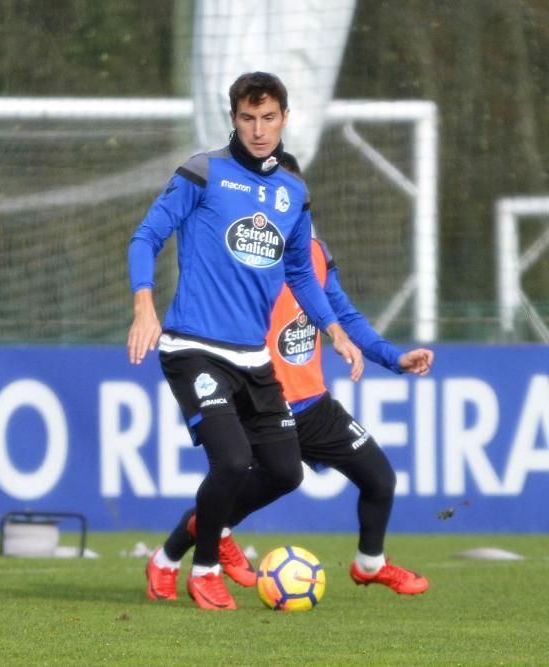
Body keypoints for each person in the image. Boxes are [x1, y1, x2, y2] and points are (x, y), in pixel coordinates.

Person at [145, 153, 432, 605]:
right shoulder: (245, 256)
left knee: (380, 479)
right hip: (261, 397)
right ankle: (169, 560)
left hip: (313, 405)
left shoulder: (312, 257)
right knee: (231, 481)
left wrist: (393, 358)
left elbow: (342, 313)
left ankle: (369, 564)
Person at [127, 71, 364, 611]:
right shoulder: (203, 172)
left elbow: (303, 274)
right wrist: (144, 304)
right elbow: (146, 235)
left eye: (269, 118)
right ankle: (204, 570)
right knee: (232, 462)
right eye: (248, 118)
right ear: (233, 118)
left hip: (253, 358)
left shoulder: (292, 192)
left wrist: (335, 332)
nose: (259, 130)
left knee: (284, 472)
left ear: (284, 118)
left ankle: (170, 556)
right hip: (193, 347)